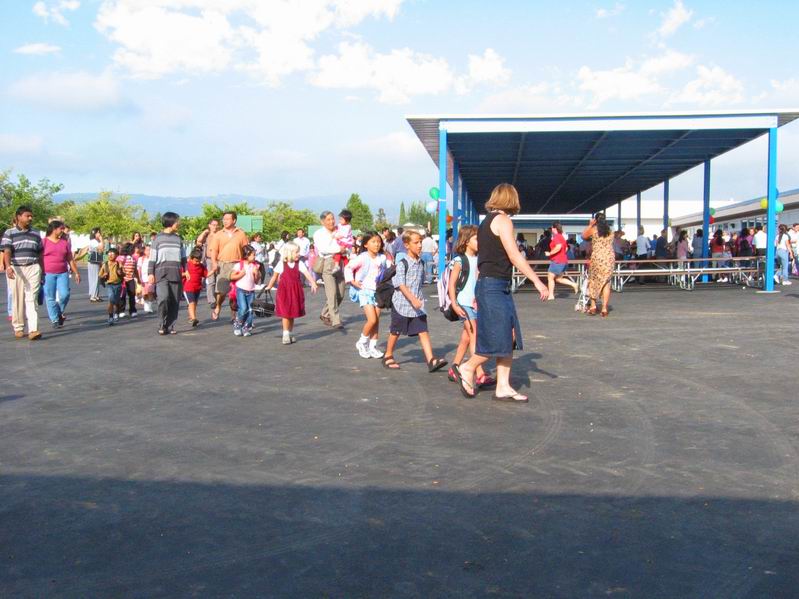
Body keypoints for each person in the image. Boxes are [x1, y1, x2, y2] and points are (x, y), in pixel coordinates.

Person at [456, 184, 548, 402]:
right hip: (494, 287)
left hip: (491, 286)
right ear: (511, 199)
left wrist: (477, 293)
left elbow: (483, 261)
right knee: (498, 337)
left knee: (509, 336)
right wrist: (538, 281)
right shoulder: (503, 220)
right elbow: (514, 255)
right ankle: (467, 367)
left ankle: (503, 386)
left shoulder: (485, 223)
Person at [381, 230, 447, 372]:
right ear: (406, 245)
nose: (419, 245)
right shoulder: (403, 263)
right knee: (396, 331)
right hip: (402, 304)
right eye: (416, 242)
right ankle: (388, 355)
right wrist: (412, 299)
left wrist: (418, 300)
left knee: (423, 330)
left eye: (420, 242)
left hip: (417, 305)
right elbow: (400, 284)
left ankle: (431, 360)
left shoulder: (421, 262)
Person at [446, 225, 495, 388]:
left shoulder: (480, 259)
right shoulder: (459, 260)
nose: (480, 241)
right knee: (475, 336)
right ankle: (479, 373)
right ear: (466, 241)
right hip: (464, 303)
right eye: (476, 239)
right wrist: (454, 303)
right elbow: (452, 284)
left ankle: (454, 367)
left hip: (476, 303)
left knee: (466, 338)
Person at [344, 231, 392, 359]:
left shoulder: (382, 258)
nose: (377, 244)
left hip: (378, 291)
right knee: (372, 320)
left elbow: (387, 271)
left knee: (376, 321)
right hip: (365, 291)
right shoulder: (362, 257)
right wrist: (352, 281)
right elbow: (348, 268)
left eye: (379, 241)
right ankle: (362, 342)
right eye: (373, 242)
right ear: (365, 244)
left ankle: (372, 346)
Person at [2, 206, 43, 339]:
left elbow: (40, 253)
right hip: (16, 268)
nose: (30, 218)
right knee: (18, 298)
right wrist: (8, 267)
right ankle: (19, 327)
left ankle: (33, 329)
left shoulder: (36, 233)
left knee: (32, 298)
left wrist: (42, 270)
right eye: (27, 216)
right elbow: (7, 251)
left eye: (31, 216)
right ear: (19, 217)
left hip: (33, 267)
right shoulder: (10, 233)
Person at [265, 241, 318, 344]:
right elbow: (274, 276)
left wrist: (313, 282)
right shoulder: (282, 264)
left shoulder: (299, 264)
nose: (299, 254)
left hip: (295, 291)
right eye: (296, 252)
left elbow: (307, 273)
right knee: (285, 313)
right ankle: (285, 334)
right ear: (289, 253)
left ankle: (289, 333)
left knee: (292, 313)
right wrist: (269, 286)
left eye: (298, 252)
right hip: (284, 291)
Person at [148, 212, 188, 335]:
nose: (179, 224)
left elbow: (183, 257)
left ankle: (170, 325)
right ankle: (161, 323)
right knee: (163, 298)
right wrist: (150, 273)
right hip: (161, 274)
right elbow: (152, 257)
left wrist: (186, 270)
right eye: (177, 222)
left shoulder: (178, 239)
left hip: (176, 273)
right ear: (171, 222)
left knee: (174, 301)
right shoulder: (158, 239)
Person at [208, 211, 248, 321]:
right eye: (224, 219)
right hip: (223, 265)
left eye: (227, 219)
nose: (225, 221)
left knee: (235, 291)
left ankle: (233, 314)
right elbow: (213, 251)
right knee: (222, 290)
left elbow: (246, 250)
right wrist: (214, 263)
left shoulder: (241, 233)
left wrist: (248, 263)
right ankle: (218, 306)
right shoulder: (218, 234)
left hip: (237, 264)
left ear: (234, 220)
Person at [42, 220, 80, 329]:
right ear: (54, 229)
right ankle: (54, 319)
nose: (63, 231)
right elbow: (39, 257)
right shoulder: (44, 242)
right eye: (61, 228)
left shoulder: (64, 243)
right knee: (50, 297)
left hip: (62, 273)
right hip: (47, 273)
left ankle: (59, 311)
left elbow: (70, 259)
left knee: (65, 294)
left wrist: (76, 273)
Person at [312, 211, 346, 328]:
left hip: (339, 262)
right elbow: (323, 249)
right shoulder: (319, 234)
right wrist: (339, 249)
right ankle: (335, 320)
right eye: (328, 219)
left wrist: (345, 249)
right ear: (322, 222)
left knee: (341, 293)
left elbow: (346, 243)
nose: (331, 221)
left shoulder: (339, 231)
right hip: (328, 263)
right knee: (332, 294)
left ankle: (325, 313)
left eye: (333, 219)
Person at [581, 213, 615, 317]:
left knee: (593, 281)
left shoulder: (594, 230)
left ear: (595, 220)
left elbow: (583, 236)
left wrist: (590, 225)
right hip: (609, 258)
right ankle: (604, 308)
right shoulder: (610, 231)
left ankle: (593, 306)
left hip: (597, 258)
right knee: (606, 282)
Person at [229, 244, 261, 337]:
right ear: (246, 255)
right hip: (241, 290)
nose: (255, 257)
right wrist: (240, 274)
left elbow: (256, 281)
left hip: (251, 291)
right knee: (243, 309)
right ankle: (238, 325)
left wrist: (257, 273)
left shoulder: (254, 266)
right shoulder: (239, 265)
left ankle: (246, 327)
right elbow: (231, 277)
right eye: (253, 255)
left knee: (250, 310)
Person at [544, 221, 578, 298]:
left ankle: (551, 295)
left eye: (552, 228)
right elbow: (566, 249)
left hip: (557, 261)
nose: (551, 229)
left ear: (554, 228)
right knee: (558, 279)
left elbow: (558, 247)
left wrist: (550, 253)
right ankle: (573, 284)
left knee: (550, 277)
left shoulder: (556, 237)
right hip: (564, 260)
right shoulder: (562, 237)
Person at [195, 218, 220, 306]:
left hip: (219, 259)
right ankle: (211, 300)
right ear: (209, 225)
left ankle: (217, 299)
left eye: (217, 225)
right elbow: (198, 241)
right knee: (211, 280)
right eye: (213, 225)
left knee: (219, 280)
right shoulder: (207, 235)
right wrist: (204, 232)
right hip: (209, 260)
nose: (215, 227)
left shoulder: (220, 234)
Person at [98, 247, 124, 325]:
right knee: (111, 299)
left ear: (116, 255)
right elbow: (100, 275)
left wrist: (120, 273)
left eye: (112, 254)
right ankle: (110, 317)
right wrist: (104, 275)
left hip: (118, 284)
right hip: (110, 284)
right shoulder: (105, 264)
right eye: (109, 254)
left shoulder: (119, 264)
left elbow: (124, 274)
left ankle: (116, 312)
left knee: (116, 301)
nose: (110, 255)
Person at [184, 247, 207, 326]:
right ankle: (194, 318)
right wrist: (185, 273)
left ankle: (191, 317)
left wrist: (213, 271)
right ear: (191, 259)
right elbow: (179, 273)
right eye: (196, 261)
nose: (198, 263)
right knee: (192, 303)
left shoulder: (201, 266)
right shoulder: (187, 265)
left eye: (199, 261)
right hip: (188, 287)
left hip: (197, 287)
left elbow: (206, 274)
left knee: (194, 303)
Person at [116, 243, 140, 318]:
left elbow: (135, 270)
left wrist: (138, 279)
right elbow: (119, 264)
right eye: (133, 249)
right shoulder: (122, 257)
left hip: (131, 279)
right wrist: (121, 269)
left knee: (132, 295)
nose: (134, 250)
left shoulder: (133, 258)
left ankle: (133, 310)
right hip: (123, 279)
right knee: (122, 295)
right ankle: (121, 310)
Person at [86, 228, 105, 302]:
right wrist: (101, 239)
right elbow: (101, 248)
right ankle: (93, 296)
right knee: (94, 278)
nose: (100, 234)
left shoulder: (96, 241)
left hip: (96, 261)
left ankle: (95, 295)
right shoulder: (93, 241)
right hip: (93, 262)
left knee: (97, 278)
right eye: (98, 232)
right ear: (95, 233)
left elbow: (101, 250)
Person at [137, 245, 155, 314]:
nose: (149, 252)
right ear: (144, 251)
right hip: (143, 278)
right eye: (147, 250)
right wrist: (139, 278)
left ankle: (149, 307)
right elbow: (139, 269)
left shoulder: (153, 259)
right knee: (145, 294)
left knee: (150, 292)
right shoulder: (141, 259)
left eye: (150, 250)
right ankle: (146, 305)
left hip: (151, 278)